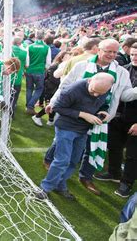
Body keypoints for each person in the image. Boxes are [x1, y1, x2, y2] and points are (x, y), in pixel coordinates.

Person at [44, 39, 137, 195]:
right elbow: (65, 85)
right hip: (74, 117)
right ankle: (49, 174)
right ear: (98, 50)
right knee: (65, 149)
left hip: (101, 118)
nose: (112, 55)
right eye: (108, 51)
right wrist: (53, 101)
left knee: (92, 148)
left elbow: (126, 96)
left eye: (115, 52)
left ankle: (85, 177)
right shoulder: (82, 65)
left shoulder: (121, 72)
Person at [35, 73, 115, 200]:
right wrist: (83, 114)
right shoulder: (72, 89)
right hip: (66, 127)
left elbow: (103, 102)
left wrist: (104, 110)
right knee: (62, 160)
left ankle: (60, 185)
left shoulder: (104, 88)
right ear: (90, 81)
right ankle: (45, 188)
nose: (96, 95)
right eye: (93, 91)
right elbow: (58, 107)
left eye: (100, 93)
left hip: (83, 130)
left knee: (73, 161)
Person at [95, 43, 137, 197]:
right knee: (114, 146)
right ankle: (114, 173)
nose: (134, 57)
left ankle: (126, 183)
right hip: (118, 116)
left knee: (133, 154)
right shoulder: (123, 69)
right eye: (132, 54)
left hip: (135, 121)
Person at [31, 51, 71, 127]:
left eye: (69, 57)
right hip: (50, 89)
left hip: (54, 89)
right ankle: (37, 116)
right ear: (61, 57)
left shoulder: (64, 66)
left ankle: (50, 120)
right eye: (67, 57)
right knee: (51, 105)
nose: (69, 58)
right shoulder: (55, 66)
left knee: (53, 105)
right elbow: (53, 78)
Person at [25, 30, 51, 115]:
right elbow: (48, 63)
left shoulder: (30, 46)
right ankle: (30, 106)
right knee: (39, 89)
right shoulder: (47, 47)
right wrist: (45, 69)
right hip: (40, 71)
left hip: (30, 70)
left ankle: (28, 107)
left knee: (29, 88)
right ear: (43, 37)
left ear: (35, 37)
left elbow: (27, 62)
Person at [11, 36, 28, 116]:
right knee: (14, 97)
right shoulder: (24, 52)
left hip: (6, 76)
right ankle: (12, 112)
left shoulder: (7, 49)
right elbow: (27, 65)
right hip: (17, 78)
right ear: (20, 44)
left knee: (5, 95)